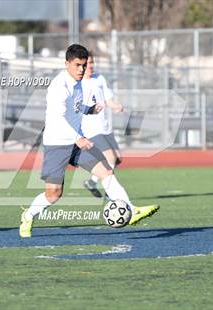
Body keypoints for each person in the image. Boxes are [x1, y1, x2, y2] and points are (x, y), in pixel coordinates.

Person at [19, 44, 159, 238]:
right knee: (54, 194)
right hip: (57, 144)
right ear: (66, 63)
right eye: (77, 65)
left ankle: (132, 209)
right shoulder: (59, 86)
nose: (81, 69)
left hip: (77, 143)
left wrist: (88, 109)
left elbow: (74, 107)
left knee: (106, 171)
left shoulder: (77, 83)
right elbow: (59, 118)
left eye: (84, 65)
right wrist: (78, 137)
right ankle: (29, 215)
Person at [81, 51, 124, 198]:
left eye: (92, 62)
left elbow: (107, 99)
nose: (91, 66)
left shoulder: (99, 78)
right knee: (110, 158)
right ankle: (109, 192)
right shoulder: (78, 84)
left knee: (117, 158)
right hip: (91, 129)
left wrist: (116, 105)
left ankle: (92, 182)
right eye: (88, 63)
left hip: (104, 127)